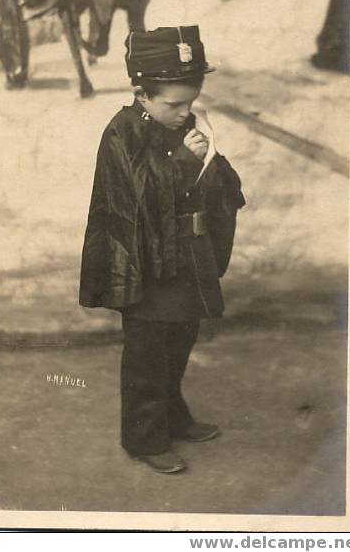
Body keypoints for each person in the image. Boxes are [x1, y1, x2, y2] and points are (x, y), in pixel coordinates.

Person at [79, 26, 245, 474]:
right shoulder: (123, 132)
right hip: (149, 263)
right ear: (142, 94)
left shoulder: (184, 125)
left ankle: (172, 416)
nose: (184, 112)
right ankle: (143, 438)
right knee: (148, 353)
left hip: (187, 257)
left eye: (190, 102)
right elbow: (136, 201)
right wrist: (188, 161)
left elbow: (216, 187)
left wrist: (211, 164)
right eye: (173, 104)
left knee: (179, 343)